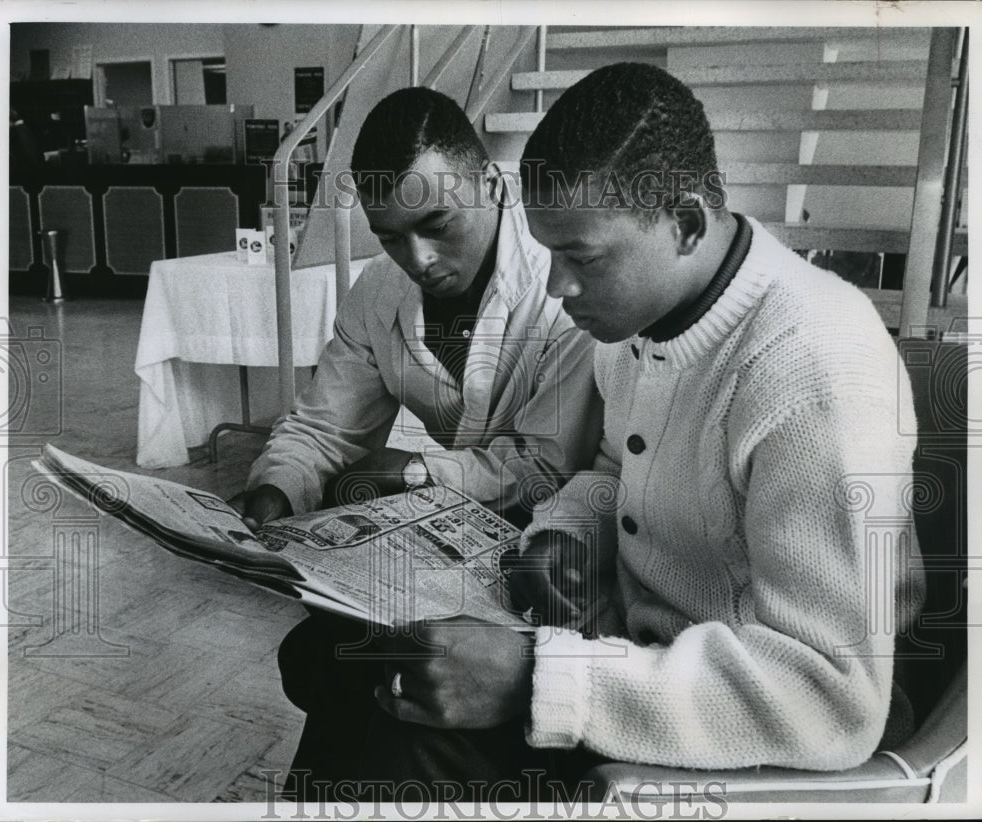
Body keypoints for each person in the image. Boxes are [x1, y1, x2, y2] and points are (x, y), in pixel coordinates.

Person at [351, 62, 925, 798]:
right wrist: (564, 533)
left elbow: (832, 696)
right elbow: (612, 468)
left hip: (769, 747)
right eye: (547, 253)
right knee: (375, 667)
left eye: (579, 257)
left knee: (413, 742)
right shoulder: (633, 328)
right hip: (639, 666)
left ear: (684, 223)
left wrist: (537, 680)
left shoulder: (814, 365)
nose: (556, 288)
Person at [229, 87, 602, 798]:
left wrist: (414, 473)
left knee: (350, 670)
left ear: (492, 184)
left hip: (550, 561)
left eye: (436, 223)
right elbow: (320, 425)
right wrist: (274, 493)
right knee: (327, 658)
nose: (419, 258)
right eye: (392, 235)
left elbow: (548, 470)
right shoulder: (378, 292)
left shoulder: (566, 285)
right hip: (442, 548)